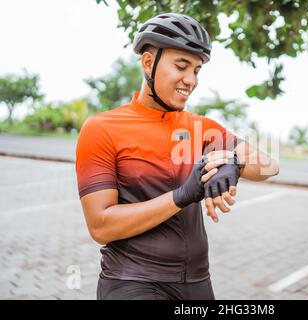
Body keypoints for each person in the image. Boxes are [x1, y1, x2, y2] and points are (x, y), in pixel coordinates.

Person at [75, 12, 279, 300]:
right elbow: (100, 226)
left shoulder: (199, 127)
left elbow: (271, 166)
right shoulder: (102, 128)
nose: (190, 80)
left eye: (196, 70)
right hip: (132, 281)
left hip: (197, 282)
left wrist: (235, 162)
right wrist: (181, 195)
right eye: (181, 66)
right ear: (148, 63)